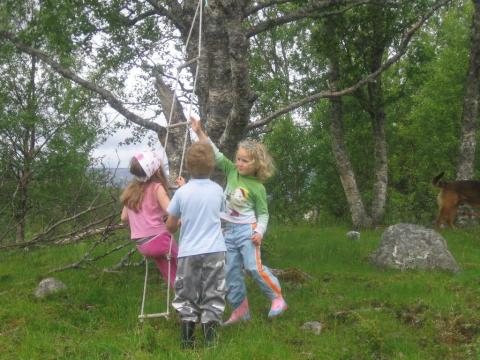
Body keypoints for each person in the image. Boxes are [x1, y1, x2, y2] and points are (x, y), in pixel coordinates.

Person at [191, 117, 287, 325]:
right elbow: (214, 152)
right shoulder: (231, 171)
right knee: (230, 271)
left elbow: (263, 214)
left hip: (247, 231)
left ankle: (277, 297)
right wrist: (199, 132)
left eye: (245, 160)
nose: (240, 163)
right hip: (227, 230)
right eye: (239, 159)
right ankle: (240, 310)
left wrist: (260, 231)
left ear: (256, 164)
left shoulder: (257, 188)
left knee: (254, 267)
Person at [166, 141, 227, 349]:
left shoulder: (182, 193)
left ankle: (187, 342)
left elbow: (171, 226)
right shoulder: (218, 190)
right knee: (214, 293)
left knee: (187, 295)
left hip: (189, 253)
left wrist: (175, 222)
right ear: (212, 167)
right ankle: (211, 341)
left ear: (188, 166)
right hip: (216, 251)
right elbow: (222, 214)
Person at [120, 149, 178, 288]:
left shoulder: (131, 190)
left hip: (142, 244)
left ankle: (179, 293)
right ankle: (192, 294)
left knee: (169, 269)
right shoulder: (157, 188)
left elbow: (123, 218)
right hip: (160, 240)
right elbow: (172, 211)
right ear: (157, 170)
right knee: (182, 264)